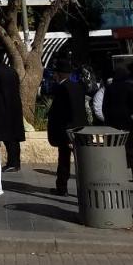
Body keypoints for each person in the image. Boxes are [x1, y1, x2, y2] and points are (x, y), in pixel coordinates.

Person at [47, 61, 87, 196]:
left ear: (58, 74)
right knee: (80, 160)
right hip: (80, 129)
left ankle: (62, 187)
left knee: (64, 160)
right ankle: (83, 188)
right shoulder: (78, 86)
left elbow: (66, 112)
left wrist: (69, 131)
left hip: (67, 131)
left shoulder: (62, 88)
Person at [103, 65, 133, 182]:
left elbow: (105, 107)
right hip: (127, 121)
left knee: (114, 148)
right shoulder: (129, 87)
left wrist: (107, 121)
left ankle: (115, 174)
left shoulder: (110, 88)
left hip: (113, 123)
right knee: (131, 147)